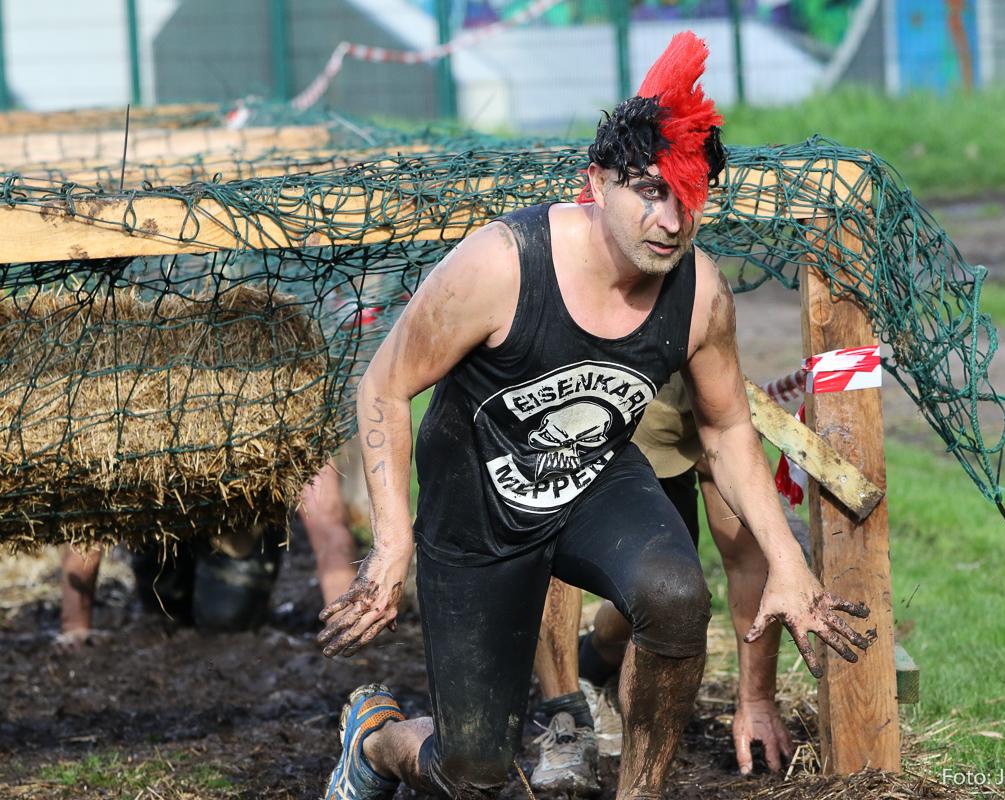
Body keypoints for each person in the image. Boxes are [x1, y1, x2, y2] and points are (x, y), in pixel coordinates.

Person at [317, 31, 874, 800]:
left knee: (677, 596)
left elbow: (725, 430)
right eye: (648, 191)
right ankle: (376, 738)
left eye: (687, 198)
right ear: (596, 183)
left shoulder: (699, 295)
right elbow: (382, 385)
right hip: (478, 506)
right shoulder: (502, 265)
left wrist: (789, 563)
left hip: (594, 481)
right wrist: (390, 544)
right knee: (472, 772)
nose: (670, 221)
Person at [528, 375, 812, 794]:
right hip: (578, 428)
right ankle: (564, 714)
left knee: (669, 591)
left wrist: (757, 700)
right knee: (550, 537)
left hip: (669, 427)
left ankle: (591, 663)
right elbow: (545, 554)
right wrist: (564, 705)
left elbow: (746, 563)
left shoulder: (706, 395)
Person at [58, 460, 359, 643]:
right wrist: (75, 627)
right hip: (159, 519)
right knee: (164, 609)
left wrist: (346, 625)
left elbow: (327, 519)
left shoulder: (267, 391)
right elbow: (87, 518)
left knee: (227, 622)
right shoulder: (134, 394)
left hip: (236, 518)